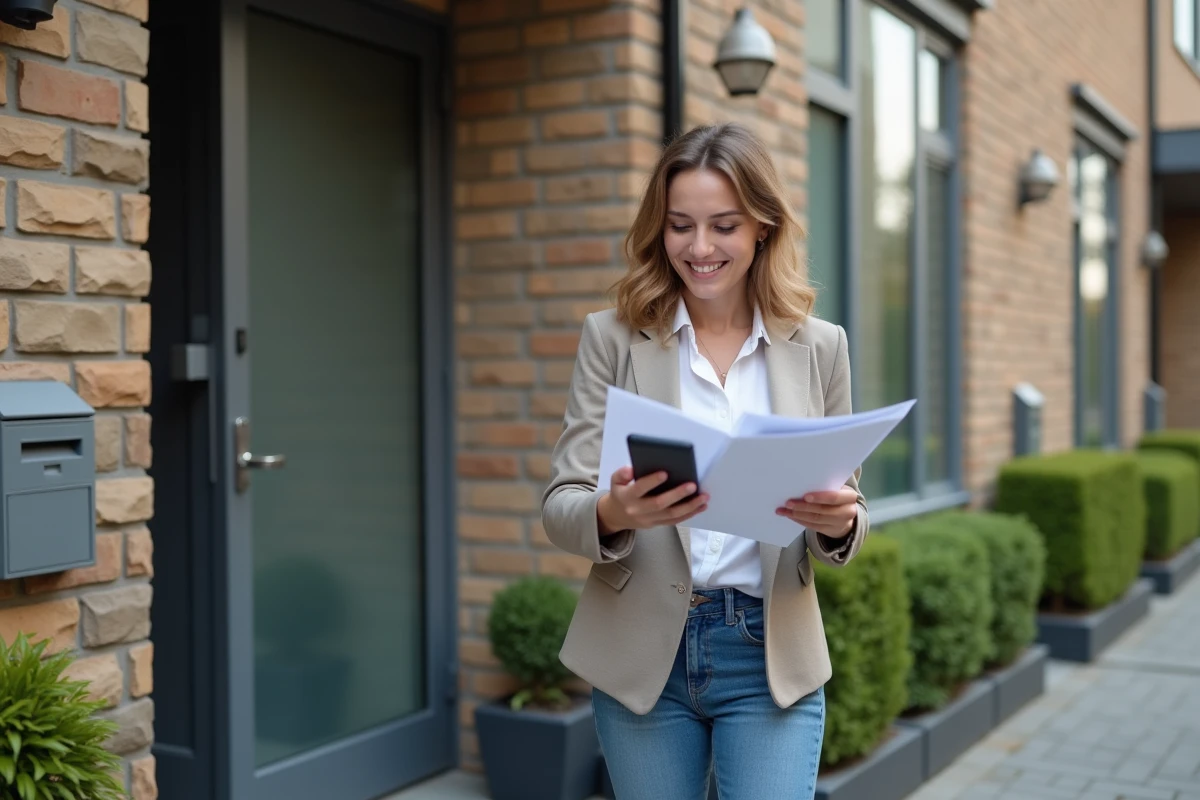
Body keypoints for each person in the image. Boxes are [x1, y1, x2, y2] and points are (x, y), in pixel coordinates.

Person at [540, 122, 870, 800]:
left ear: (762, 228)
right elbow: (561, 505)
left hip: (766, 649)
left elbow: (846, 510)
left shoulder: (820, 346)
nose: (700, 247)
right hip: (643, 655)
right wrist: (612, 511)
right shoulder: (612, 339)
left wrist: (836, 522)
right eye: (680, 225)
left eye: (724, 225)